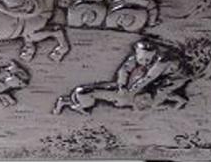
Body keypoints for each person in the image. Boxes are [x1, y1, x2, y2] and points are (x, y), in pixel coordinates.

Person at [54, 38, 190, 115]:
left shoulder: (161, 61)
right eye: (141, 59)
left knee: (160, 92)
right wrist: (122, 86)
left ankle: (174, 104)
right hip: (158, 75)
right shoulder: (137, 57)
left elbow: (148, 78)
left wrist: (130, 93)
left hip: (176, 76)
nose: (144, 62)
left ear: (155, 54)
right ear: (137, 53)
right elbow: (124, 70)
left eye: (148, 60)